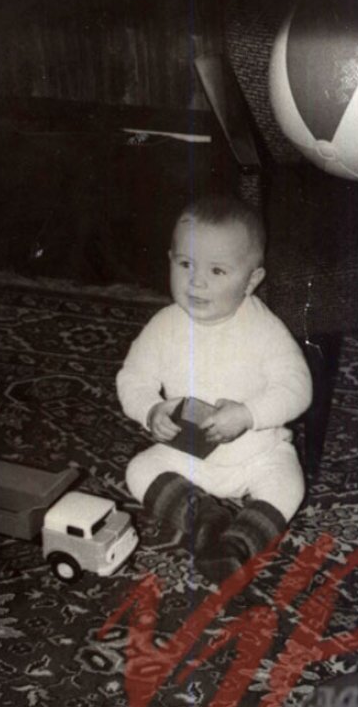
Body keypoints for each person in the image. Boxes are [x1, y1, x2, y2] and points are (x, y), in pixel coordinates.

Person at [116, 194, 312, 582]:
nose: (197, 281)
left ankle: (238, 543)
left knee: (288, 485)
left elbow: (297, 387)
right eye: (185, 264)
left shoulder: (264, 330)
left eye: (217, 270)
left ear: (251, 280)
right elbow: (133, 378)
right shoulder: (164, 326)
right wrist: (150, 410)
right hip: (185, 453)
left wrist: (249, 415)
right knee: (139, 470)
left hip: (257, 453)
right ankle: (203, 518)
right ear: (169, 260)